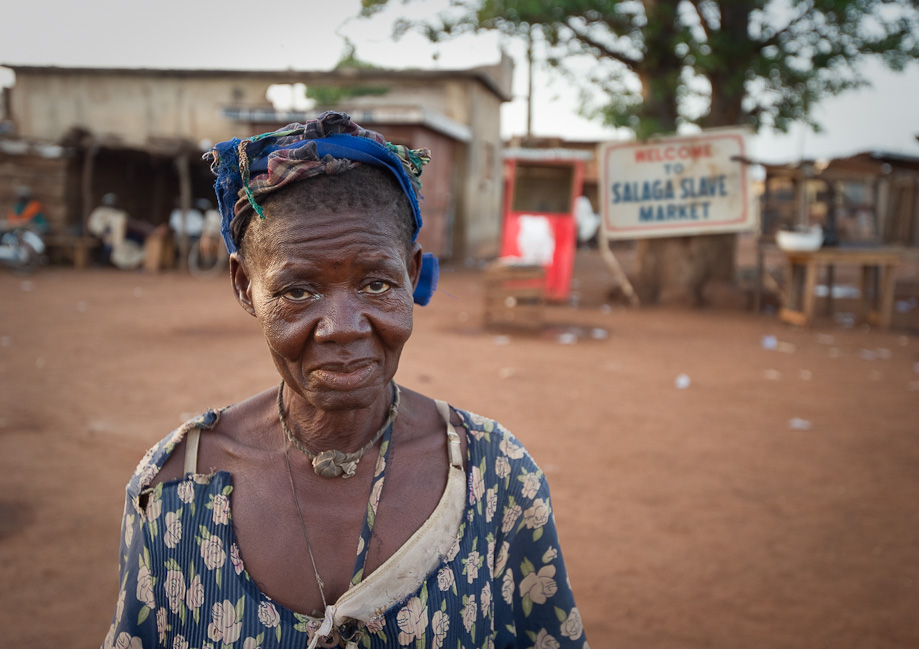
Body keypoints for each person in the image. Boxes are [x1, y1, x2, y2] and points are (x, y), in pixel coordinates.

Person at [102, 111, 587, 649]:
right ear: (244, 287)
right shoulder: (174, 489)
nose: (342, 328)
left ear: (411, 273)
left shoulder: (496, 477)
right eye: (298, 292)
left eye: (377, 284)